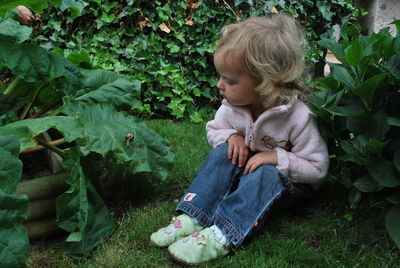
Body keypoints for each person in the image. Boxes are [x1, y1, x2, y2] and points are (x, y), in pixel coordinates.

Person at [150, 13, 329, 265]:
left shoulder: (299, 118)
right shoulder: (233, 106)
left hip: (286, 187)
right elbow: (215, 129)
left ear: (266, 82)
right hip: (248, 171)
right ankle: (194, 216)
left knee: (267, 173)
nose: (219, 85)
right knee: (223, 152)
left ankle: (223, 233)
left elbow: (317, 169)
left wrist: (276, 158)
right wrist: (231, 136)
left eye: (229, 80)